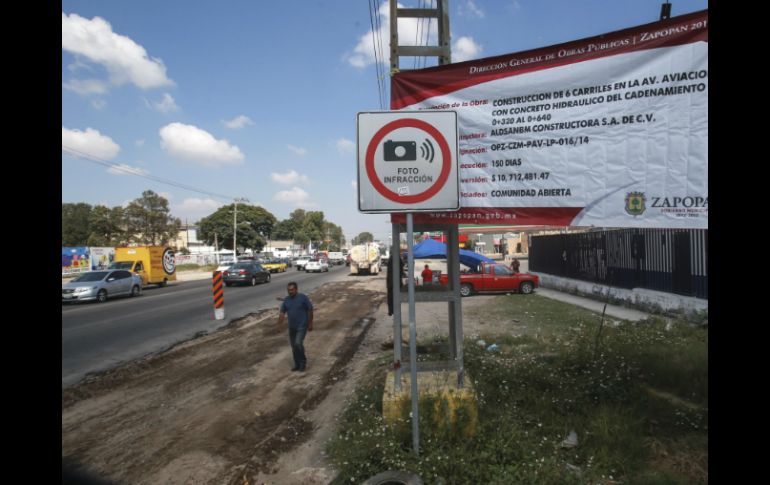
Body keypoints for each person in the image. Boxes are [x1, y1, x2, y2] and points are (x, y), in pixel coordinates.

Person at [277, 282, 314, 372]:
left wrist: (310, 323)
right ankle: (297, 364)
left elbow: (310, 310)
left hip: (302, 325)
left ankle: (303, 362)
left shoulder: (302, 298)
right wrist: (279, 325)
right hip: (292, 327)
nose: (290, 292)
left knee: (298, 343)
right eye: (289, 290)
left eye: (292, 290)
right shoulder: (286, 300)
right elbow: (282, 313)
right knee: (294, 346)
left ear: (296, 289)